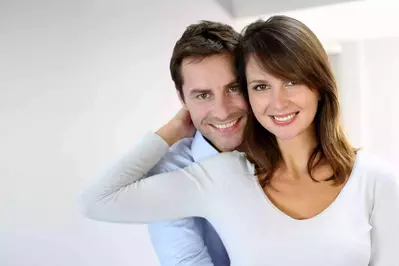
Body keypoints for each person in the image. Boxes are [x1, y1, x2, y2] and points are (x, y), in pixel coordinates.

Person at [79, 16, 399, 266]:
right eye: (261, 86)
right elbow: (98, 201)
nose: (279, 101)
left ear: (319, 86)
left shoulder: (374, 179)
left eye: (292, 81)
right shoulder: (221, 175)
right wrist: (173, 129)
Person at [123, 21, 249, 265]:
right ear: (182, 98)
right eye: (203, 95)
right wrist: (172, 129)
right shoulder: (169, 171)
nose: (222, 112)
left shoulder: (281, 148)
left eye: (233, 88)